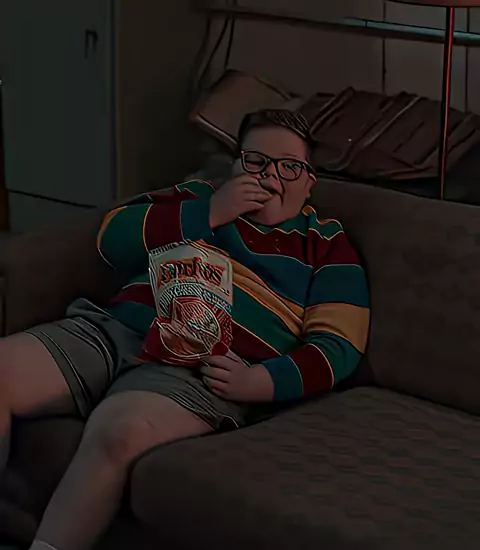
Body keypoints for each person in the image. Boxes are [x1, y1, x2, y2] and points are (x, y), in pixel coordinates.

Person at [0, 109, 370, 550]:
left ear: (309, 182)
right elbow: (110, 238)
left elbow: (339, 346)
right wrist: (209, 212)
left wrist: (260, 381)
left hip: (198, 370)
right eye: (256, 161)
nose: (270, 175)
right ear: (235, 166)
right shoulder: (200, 196)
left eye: (289, 167)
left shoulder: (326, 244)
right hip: (114, 330)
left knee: (120, 433)